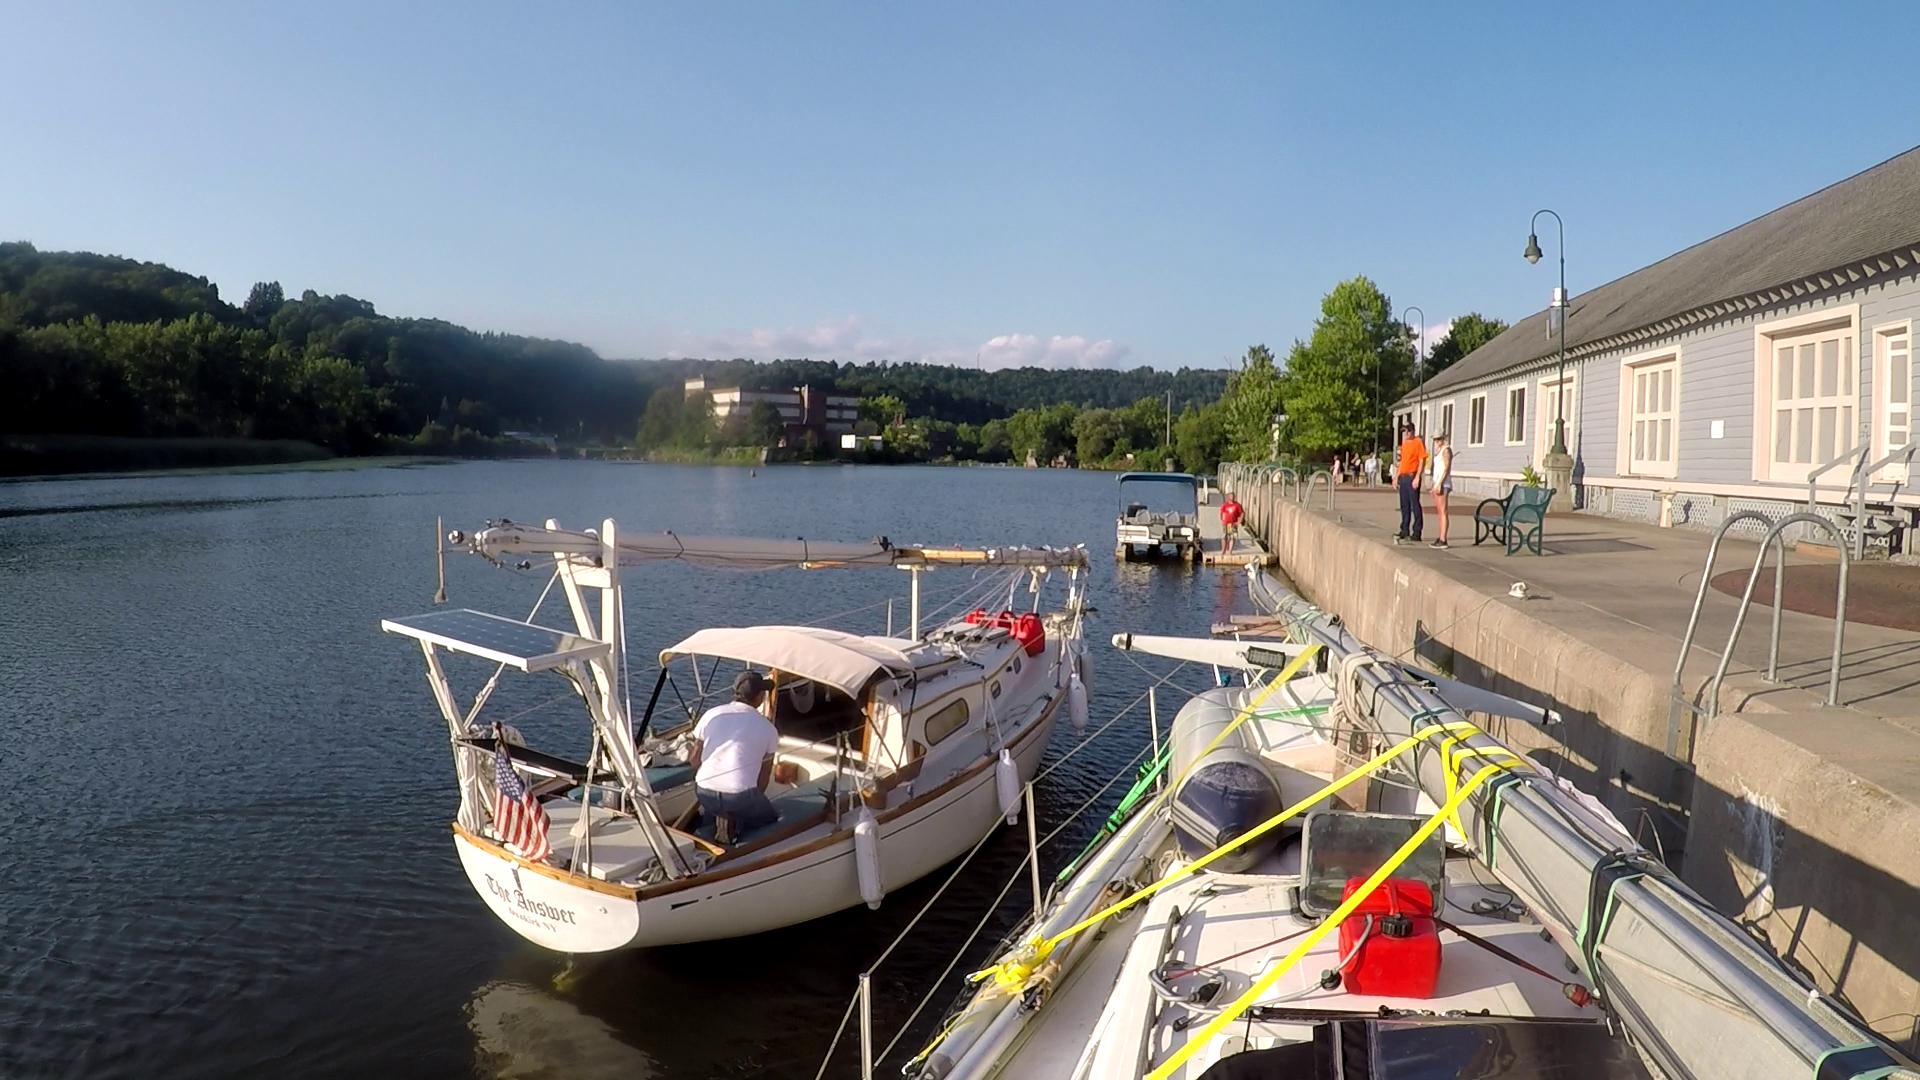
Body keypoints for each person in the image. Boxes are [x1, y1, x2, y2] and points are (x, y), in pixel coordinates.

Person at [691, 671, 781, 842]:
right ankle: (737, 831)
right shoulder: (768, 728)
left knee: (715, 809)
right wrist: (753, 800)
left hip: (703, 791)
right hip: (739, 797)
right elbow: (764, 776)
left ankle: (708, 830)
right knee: (769, 819)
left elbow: (694, 759)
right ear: (760, 696)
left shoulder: (712, 714)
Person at [1394, 423, 1428, 543]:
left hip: (1412, 476)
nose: (1406, 434)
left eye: (1408, 431)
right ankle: (1404, 529)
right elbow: (1403, 461)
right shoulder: (1404, 444)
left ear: (1412, 431)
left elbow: (1421, 460)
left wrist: (1418, 477)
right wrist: (1396, 476)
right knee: (1404, 505)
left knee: (1414, 505)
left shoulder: (1418, 442)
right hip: (1403, 476)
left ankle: (1417, 531)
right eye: (1404, 432)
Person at [1429, 435, 1455, 549]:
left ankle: (1443, 539)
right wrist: (1434, 486)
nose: (1436, 441)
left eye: (1438, 439)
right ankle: (1440, 537)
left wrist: (1439, 484)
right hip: (1438, 483)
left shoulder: (1446, 450)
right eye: (1435, 439)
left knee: (1443, 512)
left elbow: (1446, 468)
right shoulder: (1439, 451)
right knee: (1439, 513)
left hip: (1443, 484)